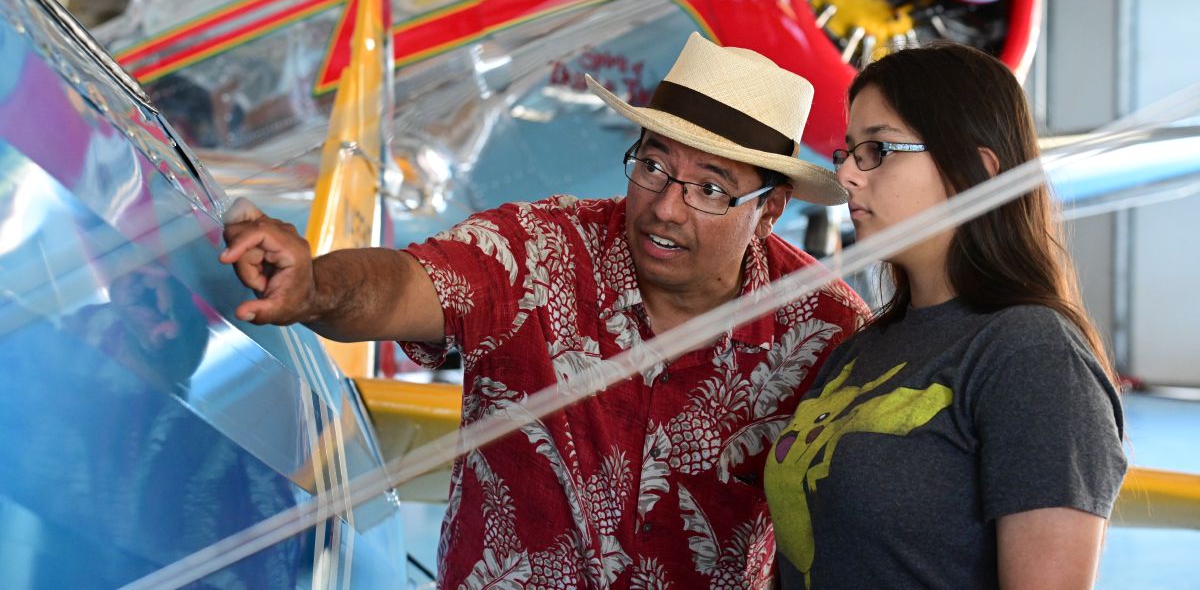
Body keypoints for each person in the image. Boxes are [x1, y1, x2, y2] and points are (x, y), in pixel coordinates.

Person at [220, 32, 867, 588]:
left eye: (709, 189)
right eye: (652, 165)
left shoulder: (828, 332)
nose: (666, 207)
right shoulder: (539, 248)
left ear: (770, 212)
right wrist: (313, 290)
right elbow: (402, 287)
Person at [763, 42, 1128, 589]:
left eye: (878, 150)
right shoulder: (860, 349)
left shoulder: (1033, 355)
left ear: (975, 172)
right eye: (848, 152)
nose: (849, 177)